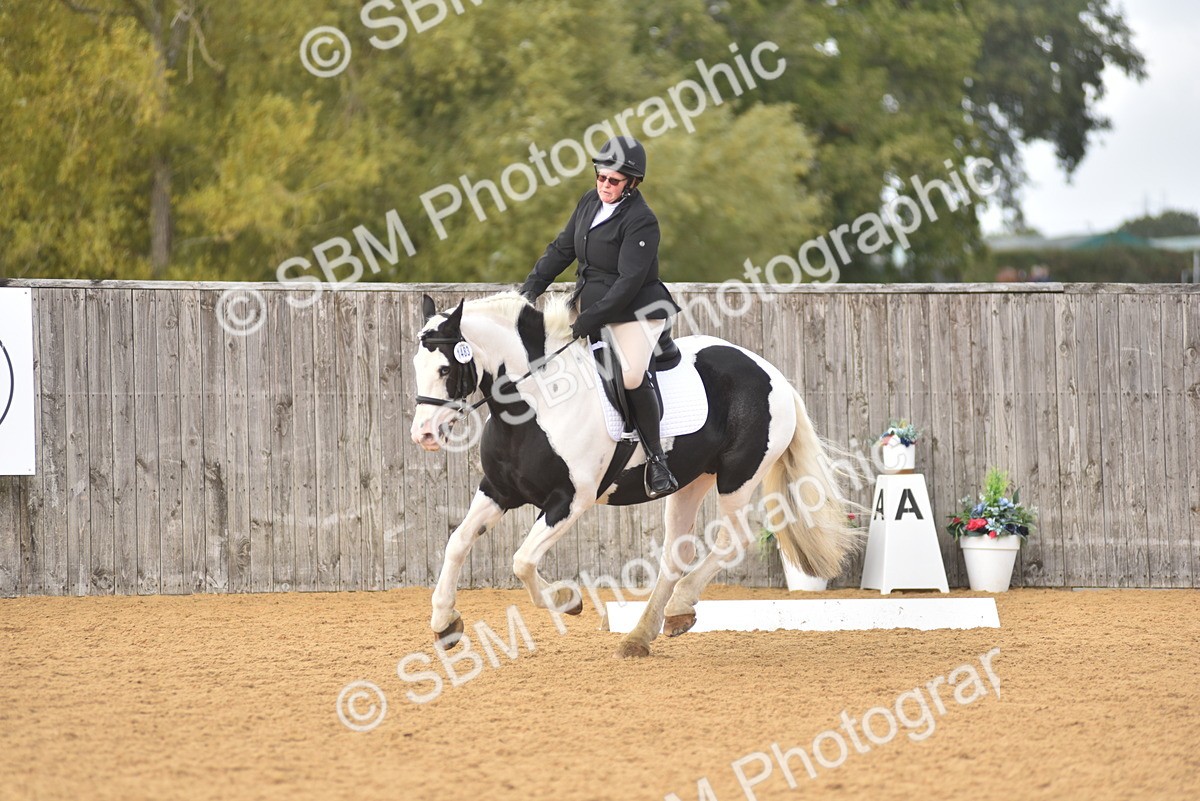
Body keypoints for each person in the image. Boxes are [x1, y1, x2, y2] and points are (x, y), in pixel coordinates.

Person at [519, 136, 680, 498]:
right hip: (587, 304)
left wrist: (587, 321)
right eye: (600, 177)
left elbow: (627, 283)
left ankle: (657, 461)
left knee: (632, 374)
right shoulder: (589, 203)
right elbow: (562, 249)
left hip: (633, 311)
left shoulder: (642, 222)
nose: (604, 185)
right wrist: (530, 288)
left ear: (632, 183)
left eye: (613, 181)